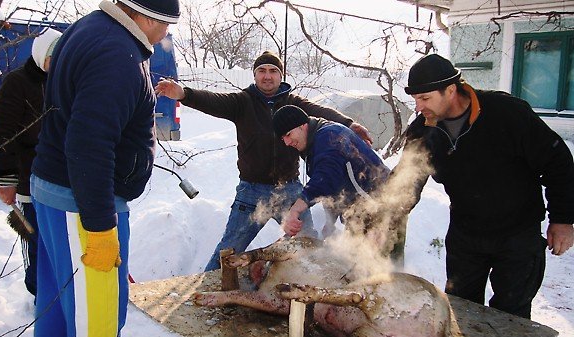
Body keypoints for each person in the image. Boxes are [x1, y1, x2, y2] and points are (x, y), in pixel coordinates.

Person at [29, 1, 179, 336]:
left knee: (59, 305)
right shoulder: (118, 54)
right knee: (95, 319)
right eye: (165, 24)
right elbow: (89, 144)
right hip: (80, 207)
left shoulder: (92, 27)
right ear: (145, 17)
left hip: (57, 191)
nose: (165, 34)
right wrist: (98, 229)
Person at [155, 51, 374, 271]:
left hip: (289, 190)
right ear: (255, 75)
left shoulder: (293, 103)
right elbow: (213, 101)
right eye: (262, 71)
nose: (267, 76)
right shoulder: (242, 102)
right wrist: (183, 94)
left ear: (281, 76)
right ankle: (206, 291)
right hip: (251, 192)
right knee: (229, 249)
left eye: (273, 71)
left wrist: (349, 124)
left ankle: (307, 288)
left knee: (307, 245)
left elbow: (321, 112)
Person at [398, 53, 574, 319]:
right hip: (465, 235)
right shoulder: (424, 130)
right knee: (461, 311)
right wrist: (384, 220)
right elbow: (406, 181)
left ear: (450, 90)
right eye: (416, 100)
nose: (419, 107)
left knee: (509, 317)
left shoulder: (506, 113)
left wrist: (562, 219)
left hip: (517, 235)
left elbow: (557, 161)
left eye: (425, 98)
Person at [0, 27, 62, 298]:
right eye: (53, 57)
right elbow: (2, 132)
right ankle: (38, 294)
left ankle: (56, 292)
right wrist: (6, 180)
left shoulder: (60, 82)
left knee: (56, 243)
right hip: (28, 180)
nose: (57, 64)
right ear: (41, 54)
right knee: (36, 243)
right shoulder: (17, 82)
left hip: (58, 182)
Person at [273, 105, 390, 239]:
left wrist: (295, 209)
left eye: (288, 134)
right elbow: (334, 186)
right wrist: (330, 222)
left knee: (381, 258)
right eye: (283, 139)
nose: (287, 143)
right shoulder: (313, 142)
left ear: (303, 125)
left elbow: (325, 178)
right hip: (360, 212)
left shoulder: (329, 136)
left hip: (380, 207)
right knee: (355, 256)